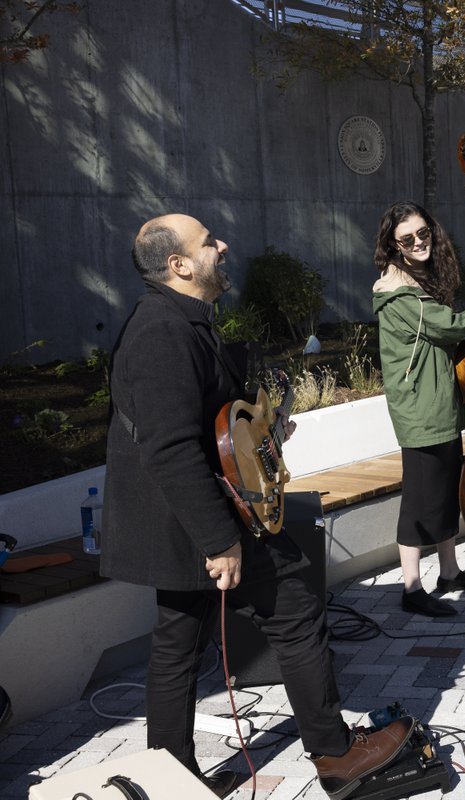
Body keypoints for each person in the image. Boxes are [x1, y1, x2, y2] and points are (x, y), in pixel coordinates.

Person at [103, 214, 415, 799]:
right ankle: (336, 756)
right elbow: (169, 449)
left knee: (175, 644)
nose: (223, 246)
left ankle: (169, 779)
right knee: (294, 605)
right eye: (208, 242)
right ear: (179, 265)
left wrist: (261, 435)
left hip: (188, 521)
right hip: (200, 521)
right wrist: (219, 540)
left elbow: (209, 426)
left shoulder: (182, 321)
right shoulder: (161, 334)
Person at [373, 201, 465, 618]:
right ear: (394, 245)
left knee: (444, 495)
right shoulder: (398, 293)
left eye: (424, 233)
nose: (419, 242)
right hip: (420, 412)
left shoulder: (415, 283)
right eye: (408, 238)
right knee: (420, 502)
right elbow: (452, 326)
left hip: (438, 407)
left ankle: (450, 573)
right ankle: (410, 588)